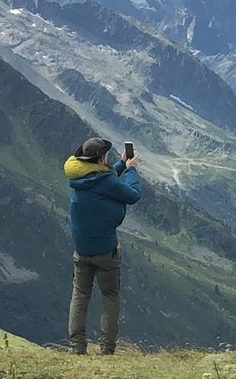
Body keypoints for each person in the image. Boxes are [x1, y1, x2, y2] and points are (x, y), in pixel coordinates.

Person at [63, 137, 141, 355]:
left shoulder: (78, 177)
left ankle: (77, 347)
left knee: (80, 294)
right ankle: (107, 349)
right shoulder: (105, 181)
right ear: (101, 158)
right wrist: (132, 170)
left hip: (82, 249)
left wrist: (120, 165)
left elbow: (99, 179)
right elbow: (132, 195)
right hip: (106, 251)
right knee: (110, 296)